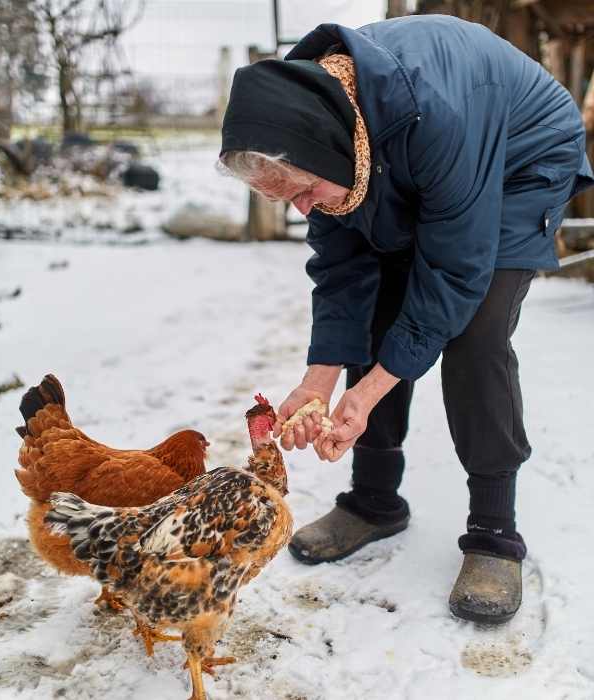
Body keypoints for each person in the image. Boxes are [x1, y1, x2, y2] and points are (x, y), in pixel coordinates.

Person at [219, 14, 594, 624]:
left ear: (330, 151)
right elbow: (343, 272)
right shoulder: (308, 121)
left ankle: (494, 531)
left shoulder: (434, 115)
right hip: (409, 155)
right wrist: (320, 381)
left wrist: (367, 391)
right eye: (287, 200)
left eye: (304, 192)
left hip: (517, 157)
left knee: (474, 332)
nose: (304, 209)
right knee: (378, 308)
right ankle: (374, 500)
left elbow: (452, 275)